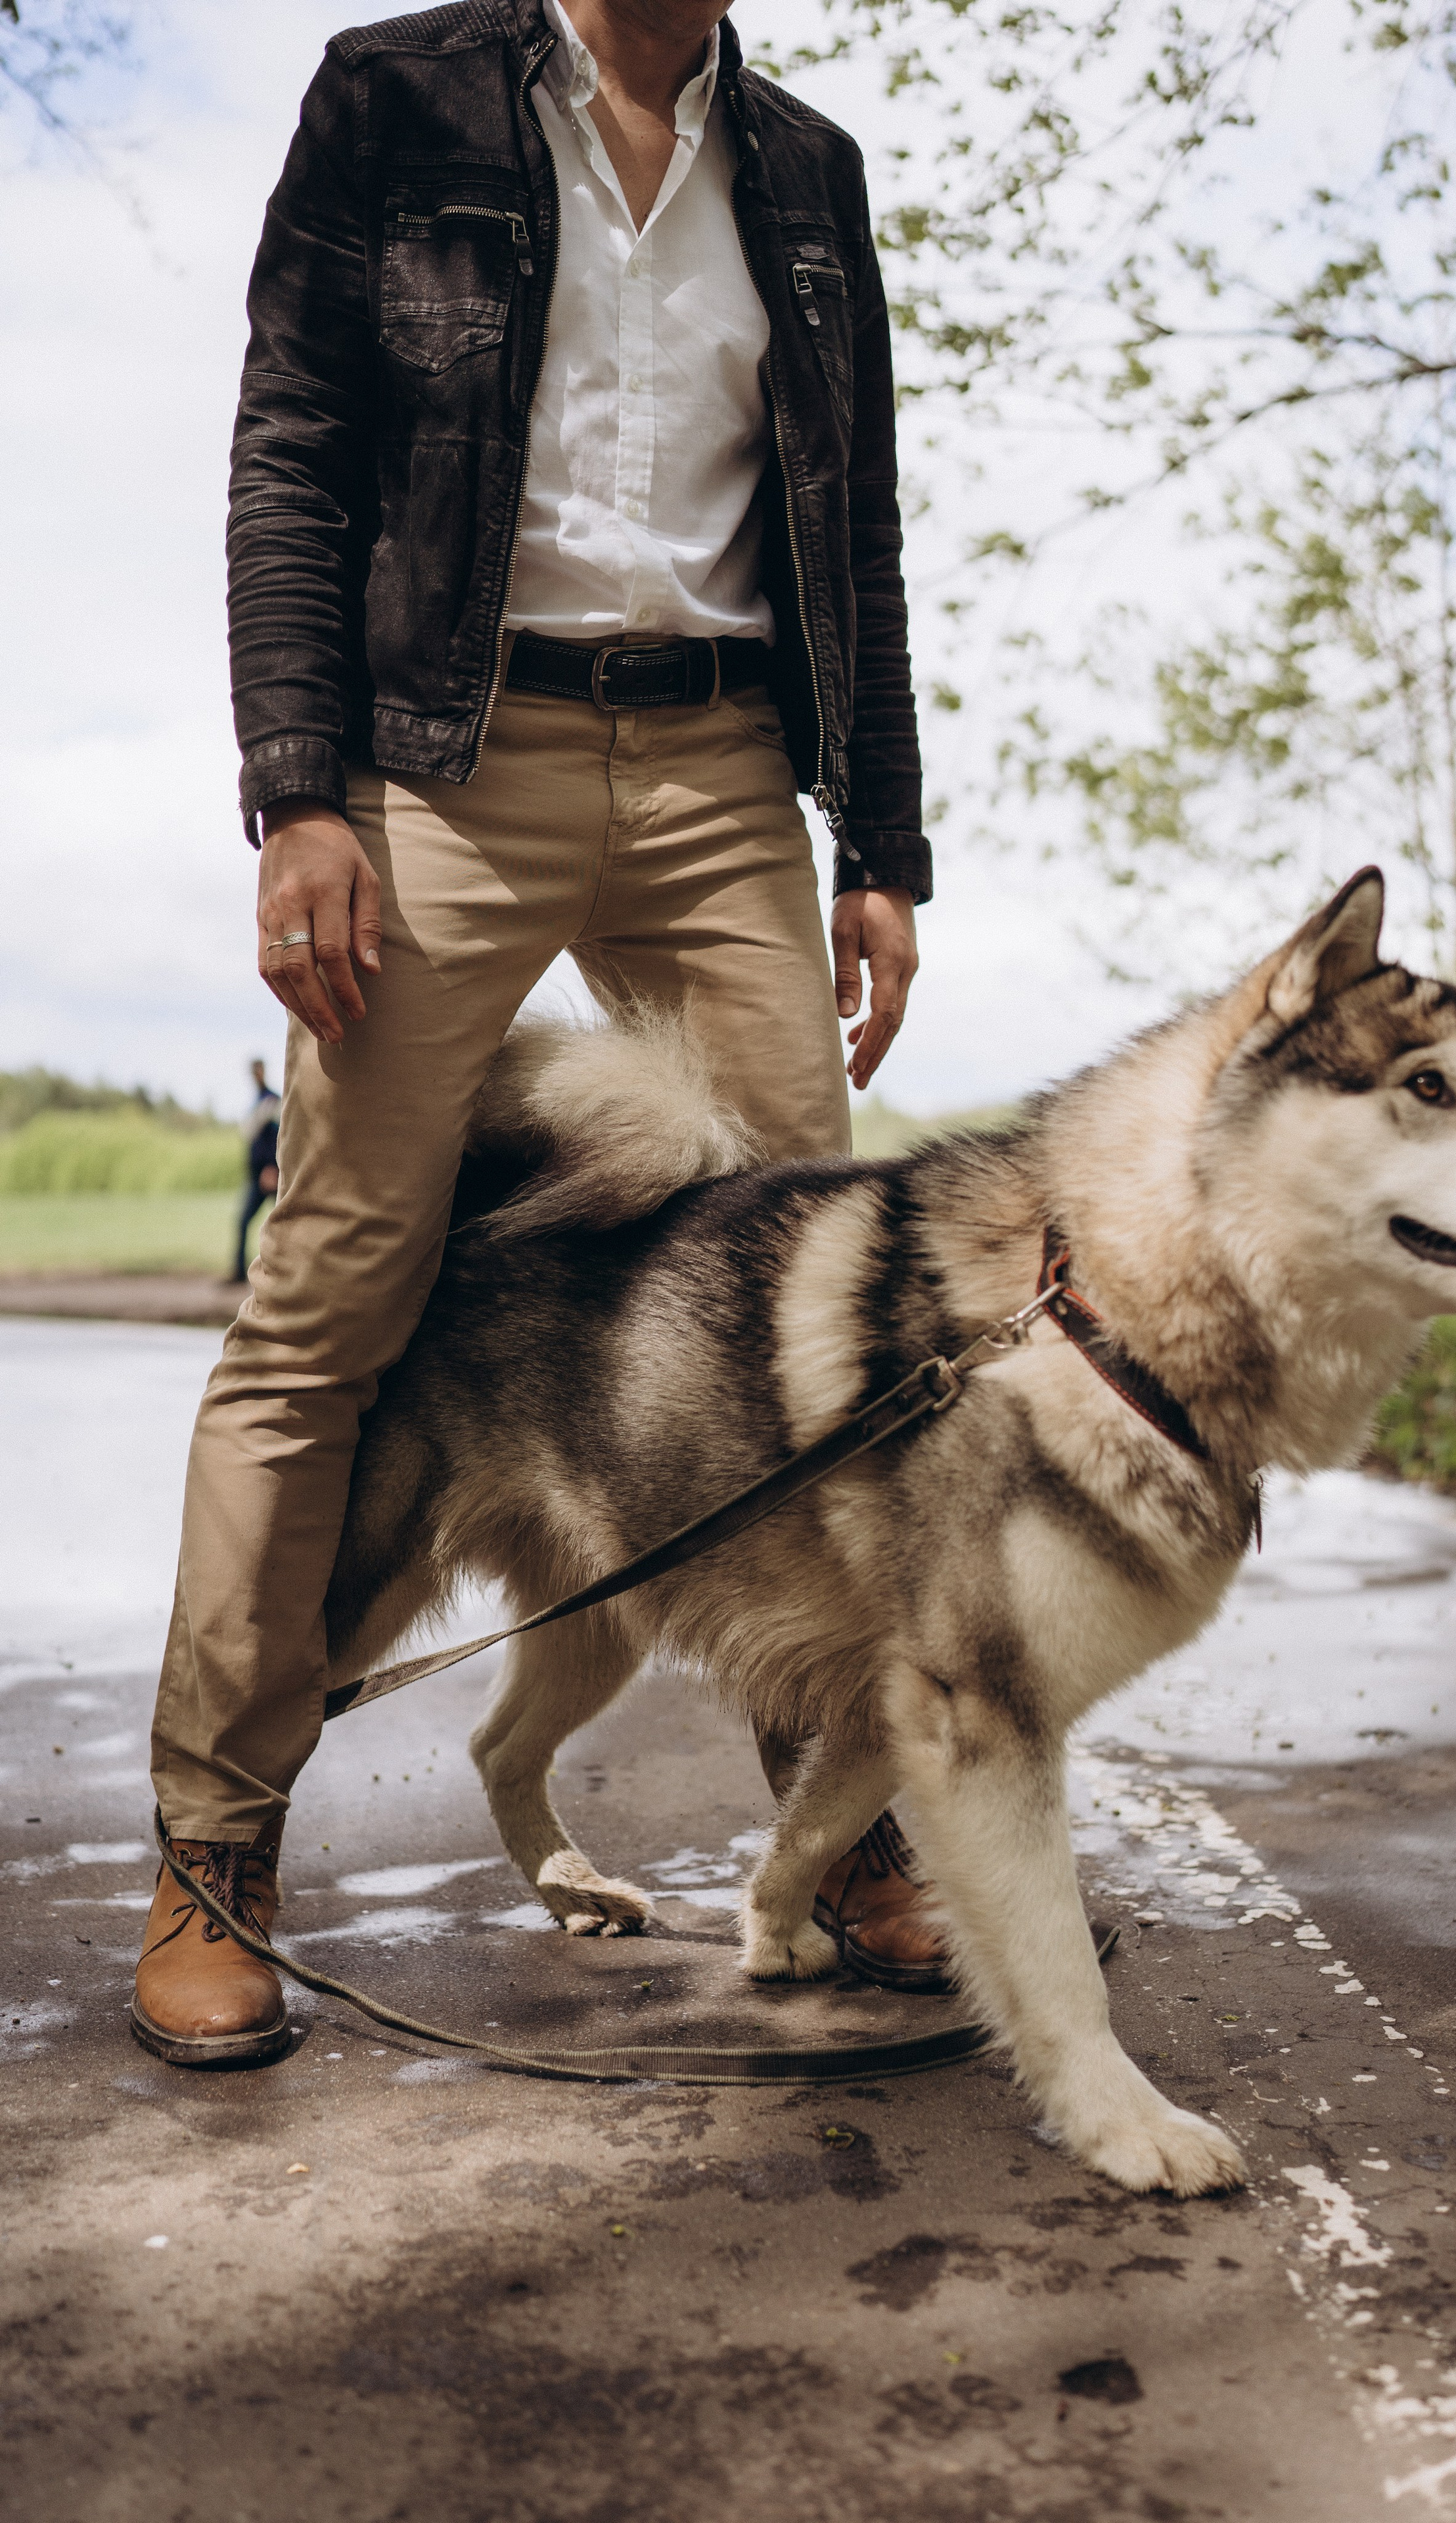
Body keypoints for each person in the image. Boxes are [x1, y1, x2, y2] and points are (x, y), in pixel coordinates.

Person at [133, 0, 951, 2069]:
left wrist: (883, 837)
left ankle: (840, 1839)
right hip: (443, 756)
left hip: (726, 763)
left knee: (822, 1326)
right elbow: (296, 442)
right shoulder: (395, 96)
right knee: (328, 1303)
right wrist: (301, 791)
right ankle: (215, 1853)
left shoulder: (808, 173)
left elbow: (851, 529)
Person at [227, 1057, 281, 1284]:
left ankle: (283, 1274)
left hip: (269, 1175)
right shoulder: (256, 1102)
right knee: (242, 1221)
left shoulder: (271, 1101)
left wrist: (272, 1167)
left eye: (258, 1071)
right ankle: (239, 1272)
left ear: (263, 1072)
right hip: (256, 1176)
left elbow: (278, 1138)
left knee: (282, 1225)